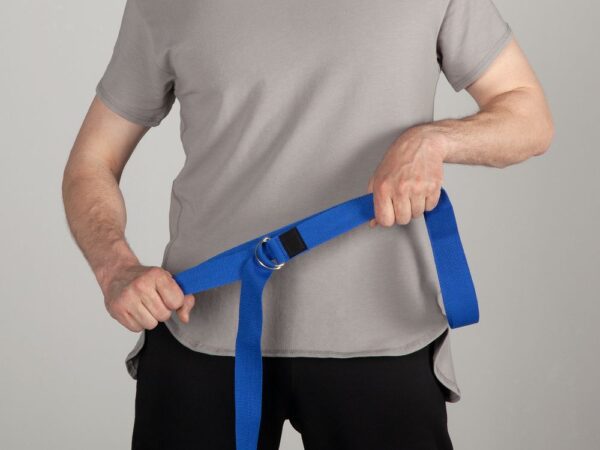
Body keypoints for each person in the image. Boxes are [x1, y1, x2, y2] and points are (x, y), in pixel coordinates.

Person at [62, 0, 553, 448]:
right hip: (202, 329)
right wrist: (115, 268)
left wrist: (433, 140)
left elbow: (528, 117)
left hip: (382, 331)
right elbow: (92, 162)